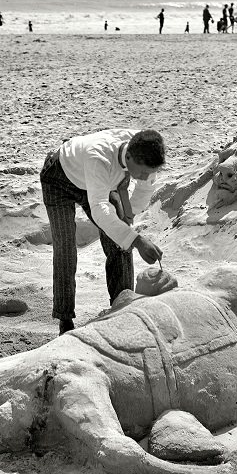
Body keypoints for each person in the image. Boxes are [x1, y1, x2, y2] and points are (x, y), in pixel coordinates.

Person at [40, 129, 166, 335]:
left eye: (149, 172)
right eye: (142, 172)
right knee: (66, 249)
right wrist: (137, 240)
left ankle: (123, 307)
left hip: (98, 182)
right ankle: (65, 320)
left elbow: (144, 190)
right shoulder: (99, 157)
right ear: (129, 157)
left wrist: (128, 219)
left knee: (120, 242)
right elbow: (99, 209)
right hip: (58, 178)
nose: (145, 177)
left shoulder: (144, 149)